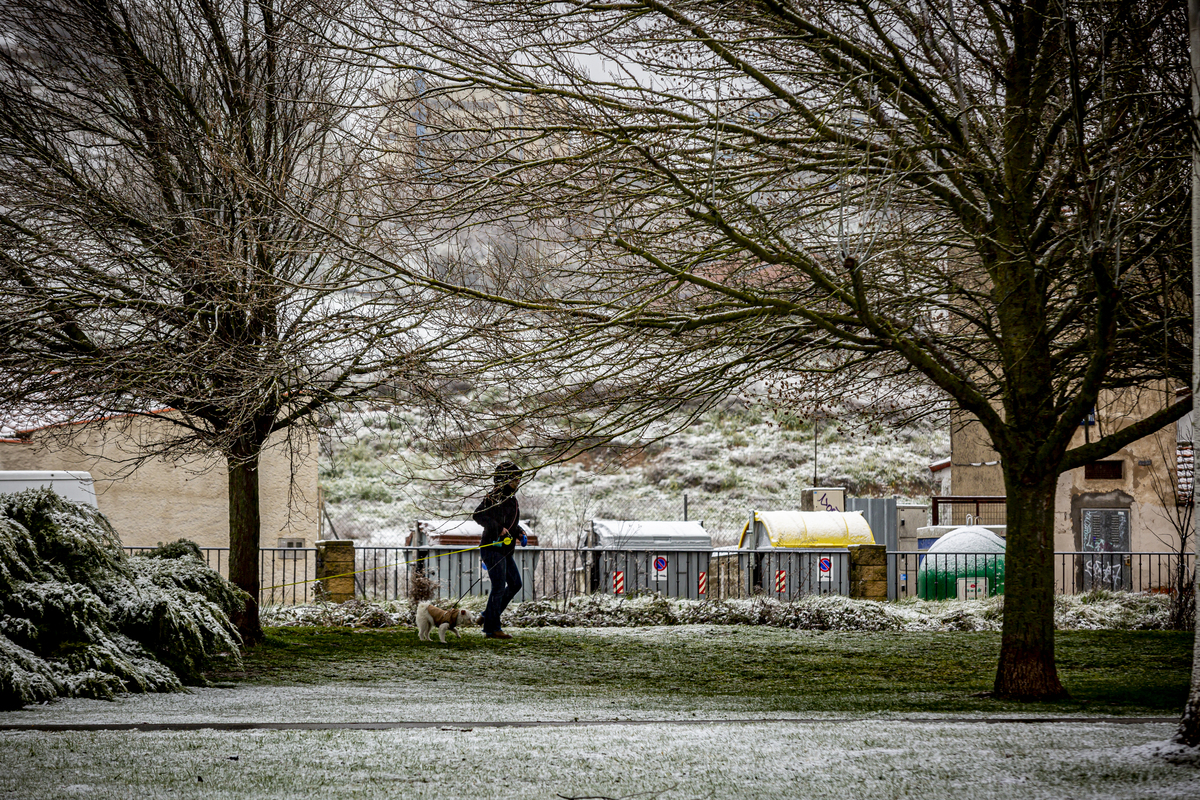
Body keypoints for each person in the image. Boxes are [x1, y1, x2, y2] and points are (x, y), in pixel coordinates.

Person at [473, 461, 527, 640]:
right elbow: (478, 515)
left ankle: (487, 615)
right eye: (514, 478)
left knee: (516, 584)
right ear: (504, 478)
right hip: (492, 548)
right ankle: (492, 628)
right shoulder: (494, 496)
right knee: (498, 586)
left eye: (519, 478)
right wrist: (497, 528)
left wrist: (519, 532)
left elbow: (511, 523)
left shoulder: (512, 498)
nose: (517, 482)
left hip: (505, 550)